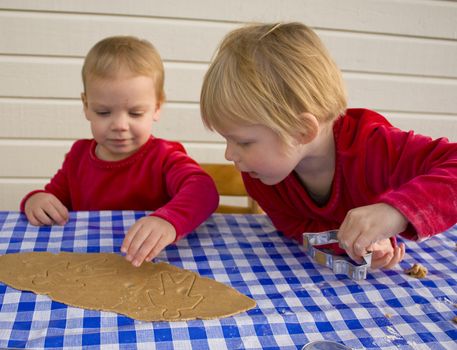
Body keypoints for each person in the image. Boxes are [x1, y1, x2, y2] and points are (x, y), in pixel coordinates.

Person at [200, 22, 457, 270]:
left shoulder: (376, 148)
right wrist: (355, 245)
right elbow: (297, 227)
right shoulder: (262, 176)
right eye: (227, 139)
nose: (230, 154)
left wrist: (395, 213)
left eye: (244, 142)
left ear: (302, 131)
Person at [21, 36, 219, 267]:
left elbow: (203, 190)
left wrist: (169, 221)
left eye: (135, 113)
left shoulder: (164, 156)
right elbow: (53, 199)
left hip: (150, 266)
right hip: (89, 265)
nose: (120, 125)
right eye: (104, 112)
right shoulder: (78, 157)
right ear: (86, 106)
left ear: (157, 107)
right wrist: (35, 199)